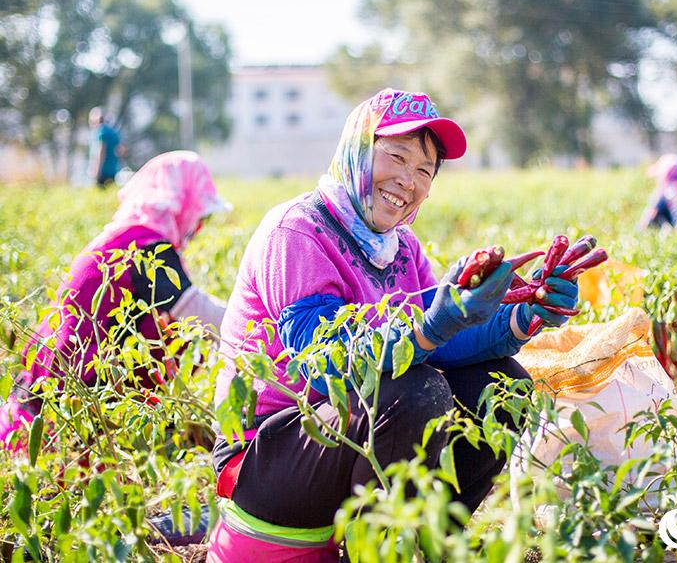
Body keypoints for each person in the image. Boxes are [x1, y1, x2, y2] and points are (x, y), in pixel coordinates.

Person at [207, 88, 581, 561]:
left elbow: (447, 338)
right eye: (397, 156)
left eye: (425, 171)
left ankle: (430, 545)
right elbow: (322, 365)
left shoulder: (401, 247)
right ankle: (376, 553)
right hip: (265, 458)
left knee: (501, 384)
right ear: (358, 149)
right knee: (411, 391)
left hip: (336, 440)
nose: (409, 180)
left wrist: (525, 317)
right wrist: (430, 326)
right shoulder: (297, 231)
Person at [0, 151, 230, 450]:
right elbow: (195, 310)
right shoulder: (146, 246)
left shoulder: (129, 236)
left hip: (59, 371)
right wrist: (256, 324)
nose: (199, 227)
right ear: (180, 203)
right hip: (77, 383)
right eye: (200, 214)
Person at [88, 107, 124, 188]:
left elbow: (101, 151)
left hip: (102, 171)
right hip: (113, 169)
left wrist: (97, 169)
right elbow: (121, 150)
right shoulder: (113, 132)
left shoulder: (101, 131)